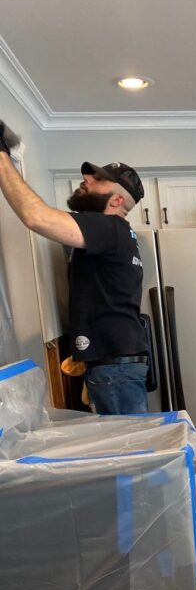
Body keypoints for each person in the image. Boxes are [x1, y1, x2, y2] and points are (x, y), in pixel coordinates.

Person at [0, 120, 149, 414]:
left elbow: (35, 217)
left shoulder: (107, 227)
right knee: (129, 449)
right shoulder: (118, 234)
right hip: (116, 364)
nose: (87, 179)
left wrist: (2, 155)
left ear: (117, 200)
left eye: (98, 179)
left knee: (125, 455)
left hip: (114, 369)